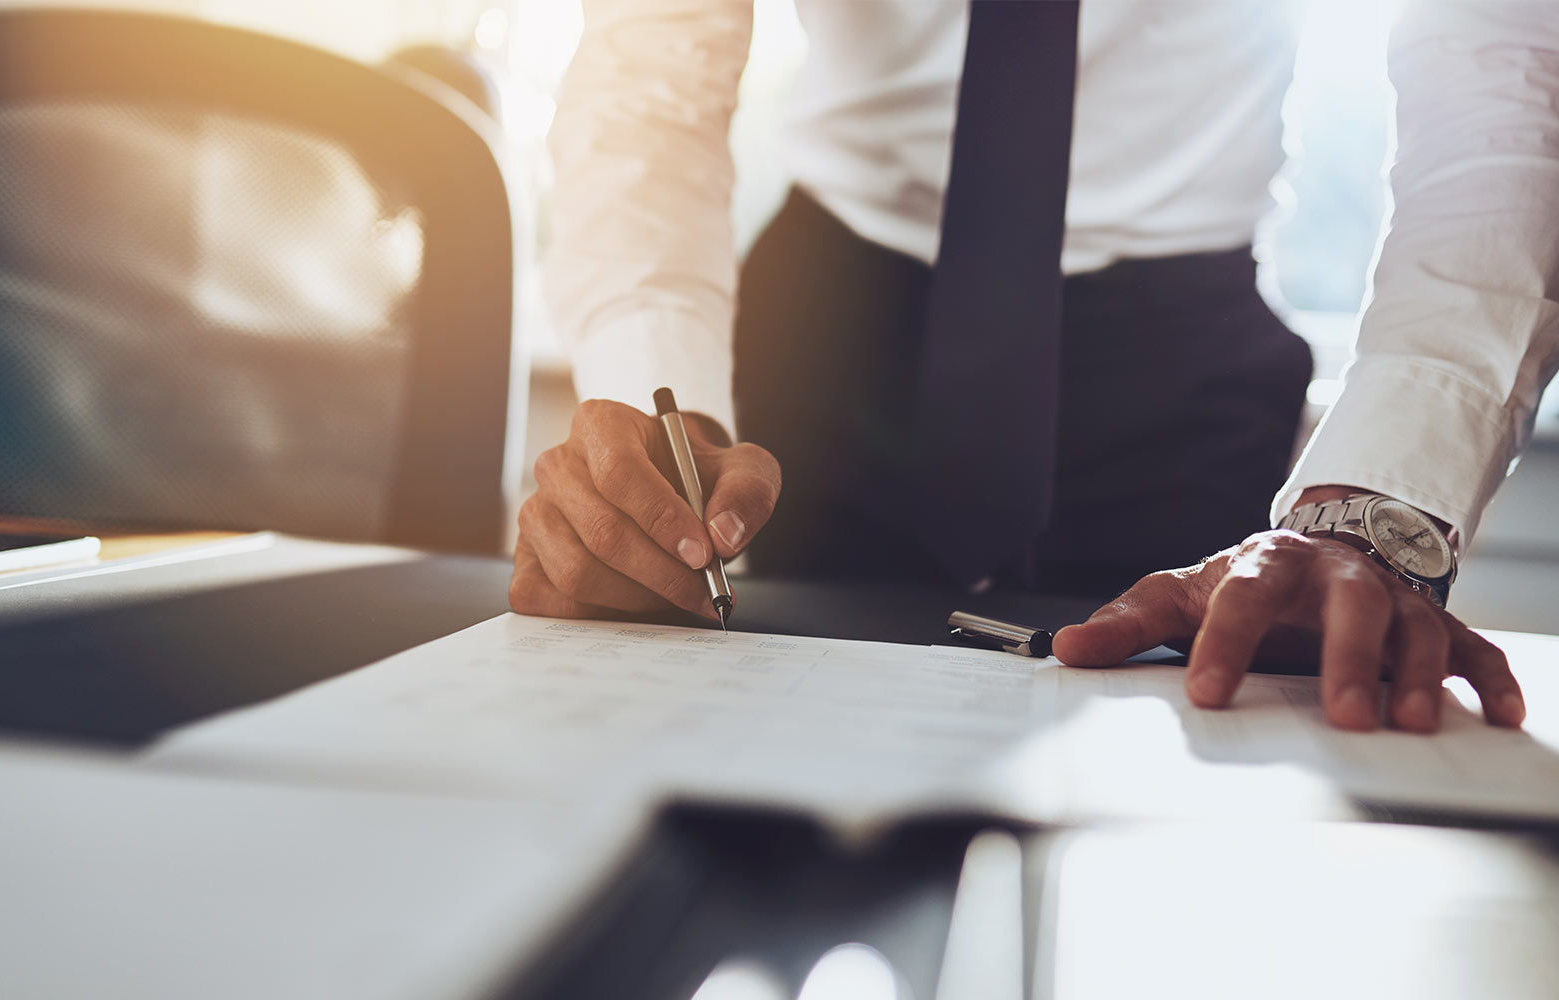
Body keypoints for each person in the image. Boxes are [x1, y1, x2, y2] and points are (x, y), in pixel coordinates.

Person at [511, 0, 1558, 734]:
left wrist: (1376, 509)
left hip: (1178, 368)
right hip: (828, 331)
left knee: (1178, 795)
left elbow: (1505, 81)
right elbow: (651, 73)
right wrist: (654, 404)